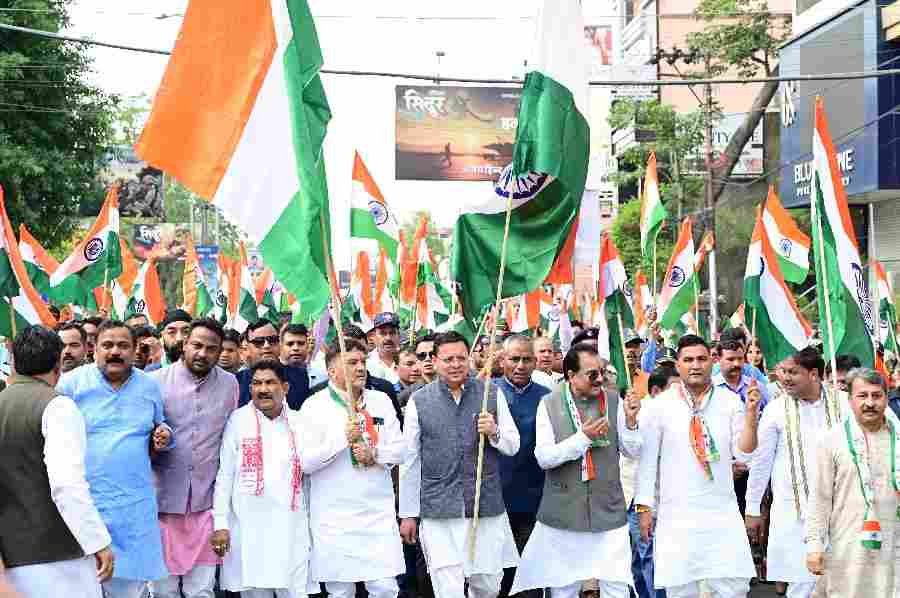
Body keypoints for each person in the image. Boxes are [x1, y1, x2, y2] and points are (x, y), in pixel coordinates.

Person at [510, 343, 641, 598]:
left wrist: (632, 422)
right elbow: (544, 458)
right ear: (571, 375)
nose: (600, 379)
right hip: (563, 512)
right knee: (563, 587)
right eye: (592, 374)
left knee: (616, 586)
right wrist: (582, 439)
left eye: (602, 372)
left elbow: (632, 451)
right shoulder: (549, 403)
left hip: (608, 510)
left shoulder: (614, 400)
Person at [635, 335, 761, 598]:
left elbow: (743, 452)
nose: (695, 365)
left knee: (733, 587)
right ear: (678, 365)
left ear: (711, 362)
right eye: (688, 359)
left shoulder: (729, 402)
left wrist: (751, 415)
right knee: (681, 589)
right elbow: (647, 461)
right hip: (676, 513)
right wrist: (645, 507)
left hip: (721, 510)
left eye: (702, 359)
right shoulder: (659, 406)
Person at [399, 331, 521, 598]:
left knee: (488, 585)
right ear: (434, 361)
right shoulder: (419, 401)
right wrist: (408, 513)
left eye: (461, 358)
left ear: (469, 359)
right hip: (438, 509)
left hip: (483, 505)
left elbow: (513, 445)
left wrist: (494, 432)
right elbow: (410, 460)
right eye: (448, 359)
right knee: (449, 588)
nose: (455, 364)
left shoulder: (490, 393)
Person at [57, 320, 172, 597]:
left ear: (134, 350)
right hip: (86, 505)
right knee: (83, 586)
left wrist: (164, 434)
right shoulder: (71, 384)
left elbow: (161, 424)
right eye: (107, 345)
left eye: (123, 346)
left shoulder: (148, 386)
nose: (115, 352)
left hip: (133, 507)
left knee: (129, 589)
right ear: (94, 349)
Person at [0, 325, 114, 598]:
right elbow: (66, 485)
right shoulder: (58, 406)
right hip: (59, 562)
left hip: (11, 563)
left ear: (14, 361)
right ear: (58, 363)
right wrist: (98, 542)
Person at [212, 360, 339, 597]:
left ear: (285, 387)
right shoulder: (238, 421)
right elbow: (225, 475)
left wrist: (343, 438)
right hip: (249, 529)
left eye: (270, 382)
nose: (263, 389)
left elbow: (312, 463)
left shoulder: (300, 422)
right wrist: (220, 523)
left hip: (291, 528)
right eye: (257, 383)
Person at [300, 339, 406, 598]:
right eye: (352, 362)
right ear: (331, 371)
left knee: (386, 589)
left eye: (363, 362)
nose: (360, 368)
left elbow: (401, 451)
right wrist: (341, 439)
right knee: (340, 592)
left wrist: (375, 454)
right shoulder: (313, 406)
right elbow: (306, 462)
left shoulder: (381, 401)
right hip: (334, 517)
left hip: (377, 513)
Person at [151, 319, 239, 598]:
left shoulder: (230, 384)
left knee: (201, 590)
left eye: (211, 349)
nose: (202, 353)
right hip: (162, 503)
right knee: (163, 590)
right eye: (197, 345)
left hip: (206, 503)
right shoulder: (155, 382)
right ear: (184, 344)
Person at [745, 348, 843, 598]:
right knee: (802, 584)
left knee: (842, 583)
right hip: (794, 513)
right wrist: (753, 508)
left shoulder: (845, 403)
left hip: (842, 512)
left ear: (813, 374)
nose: (785, 378)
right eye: (783, 371)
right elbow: (761, 462)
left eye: (793, 372)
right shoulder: (776, 409)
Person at [806, 368, 898, 597]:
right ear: (850, 400)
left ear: (886, 398)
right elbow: (820, 498)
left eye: (877, 395)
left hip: (893, 545)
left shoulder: (898, 437)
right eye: (862, 395)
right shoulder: (832, 440)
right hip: (848, 548)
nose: (870, 403)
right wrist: (814, 545)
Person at [495, 336, 551, 598]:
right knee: (496, 574)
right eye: (514, 359)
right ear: (501, 360)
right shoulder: (487, 393)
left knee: (530, 572)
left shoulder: (547, 398)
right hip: (495, 498)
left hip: (535, 498)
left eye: (526, 359)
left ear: (535, 362)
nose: (520, 365)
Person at [628, 366, 679, 598]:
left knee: (649, 559)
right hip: (641, 501)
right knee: (649, 558)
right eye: (674, 389)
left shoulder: (682, 414)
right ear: (657, 391)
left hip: (670, 500)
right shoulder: (640, 414)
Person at [714, 339, 769, 515]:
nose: (736, 364)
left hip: (753, 467)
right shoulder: (710, 389)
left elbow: (769, 422)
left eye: (740, 358)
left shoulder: (757, 387)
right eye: (730, 359)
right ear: (718, 360)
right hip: (721, 468)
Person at [236, 319, 310, 411]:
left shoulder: (299, 375)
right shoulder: (237, 381)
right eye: (259, 342)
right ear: (247, 347)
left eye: (272, 340)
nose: (266, 345)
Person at [399, 334, 437, 408]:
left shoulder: (456, 387)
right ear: (416, 359)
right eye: (422, 355)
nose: (428, 359)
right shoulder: (406, 396)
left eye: (432, 354)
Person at [369, 312, 401, 385]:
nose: (388, 338)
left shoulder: (408, 361)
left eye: (392, 333)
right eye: (383, 333)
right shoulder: (366, 362)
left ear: (399, 336)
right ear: (374, 337)